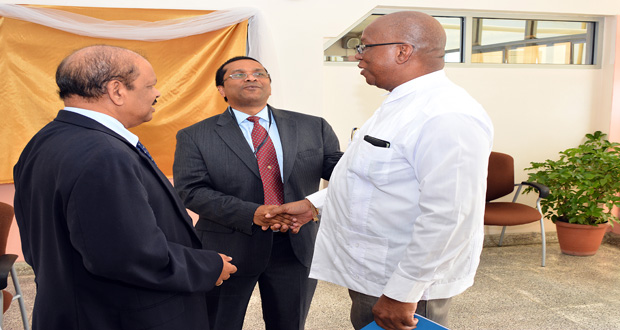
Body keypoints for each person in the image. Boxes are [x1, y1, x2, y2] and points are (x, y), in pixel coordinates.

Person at [268, 11, 494, 330]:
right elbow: (371, 178)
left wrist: (403, 293)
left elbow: (450, 215)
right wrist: (313, 205)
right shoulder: (400, 103)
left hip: (407, 285)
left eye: (364, 47)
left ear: (402, 51)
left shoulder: (446, 116)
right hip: (375, 274)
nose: (356, 56)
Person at [13, 45, 237, 330]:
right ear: (117, 90)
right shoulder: (103, 154)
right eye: (151, 84)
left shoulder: (45, 140)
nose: (157, 93)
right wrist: (209, 266)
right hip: (120, 315)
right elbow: (127, 255)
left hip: (74, 304)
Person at [172, 56, 343, 330]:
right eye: (238, 74)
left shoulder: (314, 126)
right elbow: (191, 191)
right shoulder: (195, 135)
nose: (251, 78)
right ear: (221, 90)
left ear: (270, 85)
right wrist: (251, 213)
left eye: (259, 73)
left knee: (289, 324)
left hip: (296, 246)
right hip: (227, 248)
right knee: (218, 323)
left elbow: (343, 175)